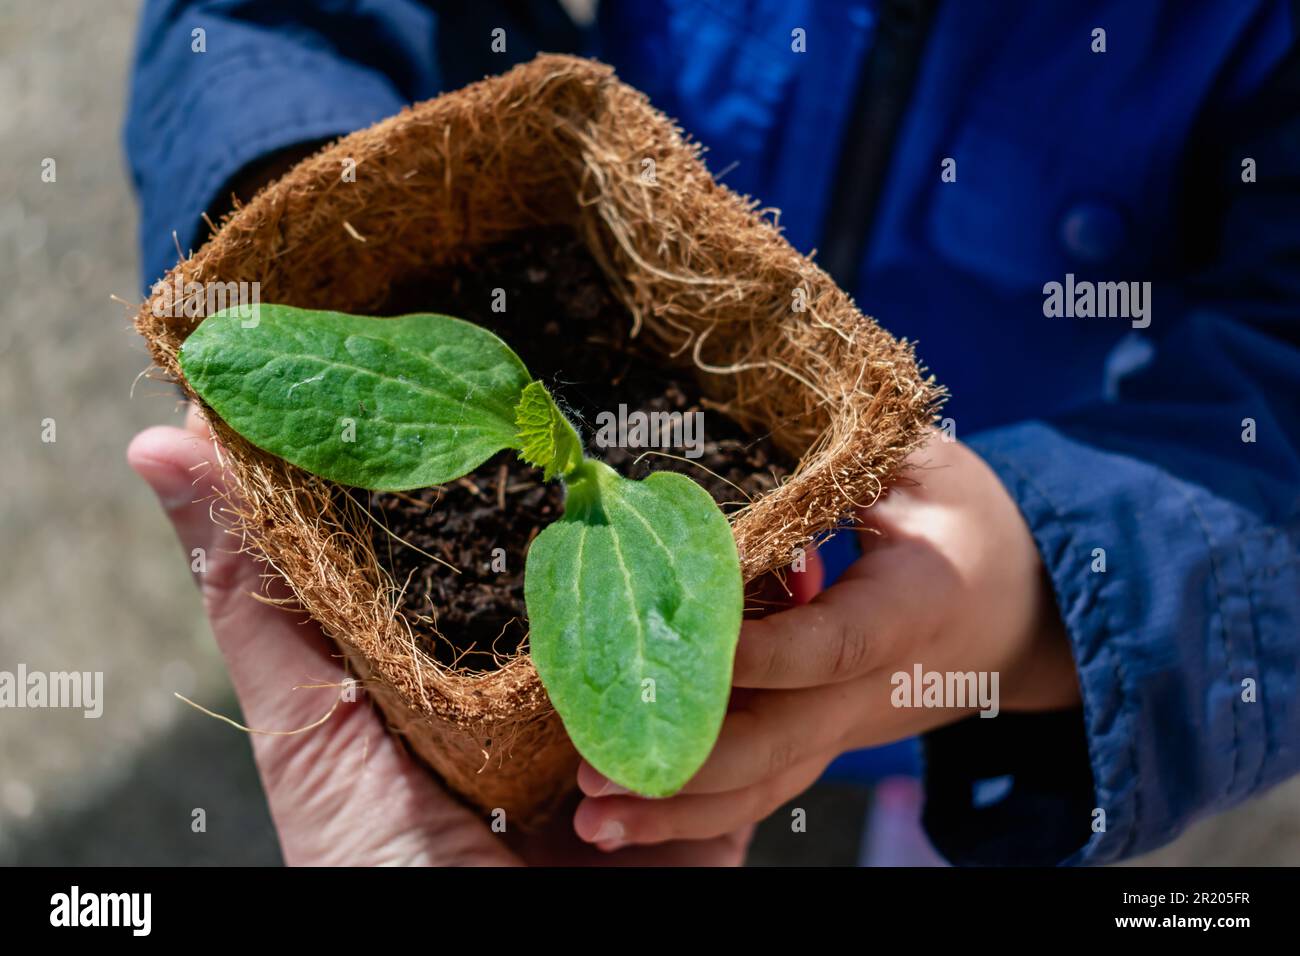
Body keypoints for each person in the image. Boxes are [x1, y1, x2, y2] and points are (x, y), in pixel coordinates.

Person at [125, 1, 1300, 866]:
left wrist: (1039, 602)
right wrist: (329, 207)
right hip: (618, 309)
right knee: (720, 715)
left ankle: (930, 755)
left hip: (989, 523)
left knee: (890, 690)